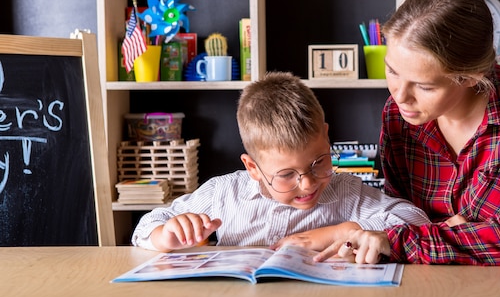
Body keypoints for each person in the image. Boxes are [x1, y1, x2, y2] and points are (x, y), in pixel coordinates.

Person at [314, 0, 500, 266]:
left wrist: (412, 239)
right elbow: (395, 216)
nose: (400, 96)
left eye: (424, 86)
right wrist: (463, 234)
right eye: (392, 71)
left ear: (471, 76)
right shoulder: (397, 116)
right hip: (420, 287)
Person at [131, 71, 430, 252]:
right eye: (287, 175)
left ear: (327, 137)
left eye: (319, 163)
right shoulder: (224, 194)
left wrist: (341, 232)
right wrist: (166, 235)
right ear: (253, 168)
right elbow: (144, 228)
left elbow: (416, 220)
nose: (309, 183)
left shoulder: (346, 192)